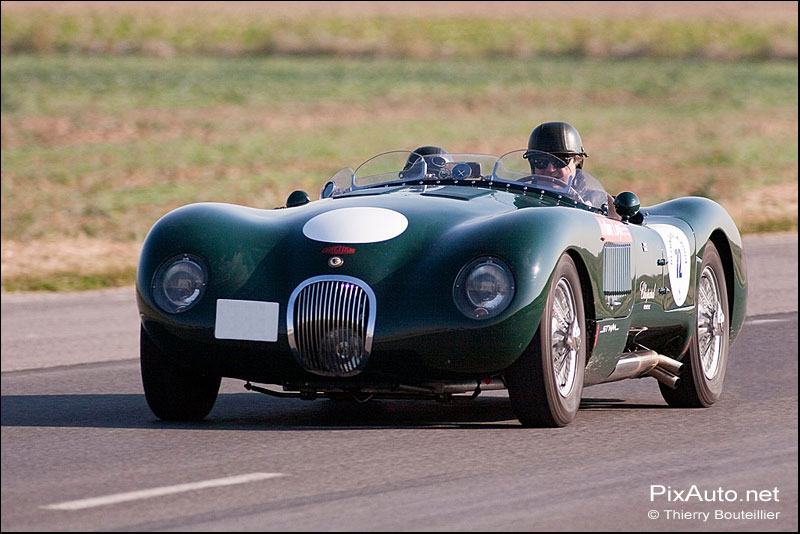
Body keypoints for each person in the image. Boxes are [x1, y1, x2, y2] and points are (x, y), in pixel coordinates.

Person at [523, 122, 613, 213]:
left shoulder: (601, 203)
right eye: (540, 161)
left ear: (576, 162)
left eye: (559, 161)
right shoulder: (519, 197)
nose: (550, 169)